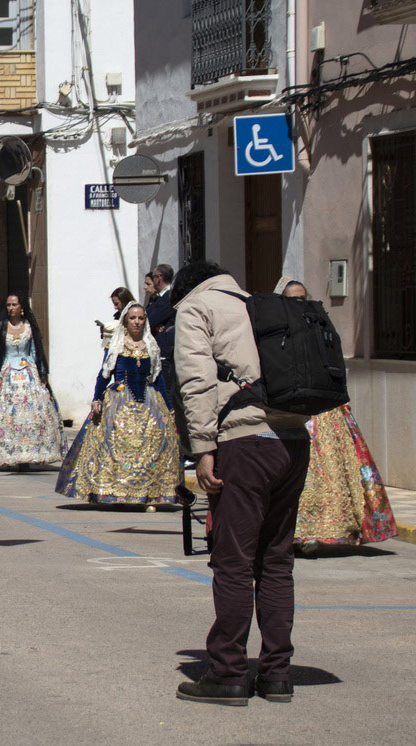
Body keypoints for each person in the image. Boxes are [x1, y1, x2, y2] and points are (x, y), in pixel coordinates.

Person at [172, 261, 311, 706]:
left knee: (233, 562)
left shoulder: (196, 307)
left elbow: (196, 383)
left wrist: (202, 449)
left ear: (186, 289)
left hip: (244, 443)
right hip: (292, 441)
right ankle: (277, 675)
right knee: (276, 561)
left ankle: (228, 673)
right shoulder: (259, 305)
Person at [274, 281, 397, 550]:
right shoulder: (277, 329)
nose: (298, 303)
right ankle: (298, 533)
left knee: (334, 471)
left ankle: (330, 530)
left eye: (302, 298)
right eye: (292, 299)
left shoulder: (321, 324)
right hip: (294, 406)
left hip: (325, 409)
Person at [56, 302, 181, 506]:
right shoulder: (116, 345)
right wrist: (97, 398)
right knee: (115, 445)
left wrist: (169, 407)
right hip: (119, 401)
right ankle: (115, 492)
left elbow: (158, 379)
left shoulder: (151, 345)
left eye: (140, 318)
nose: (137, 322)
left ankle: (147, 493)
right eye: (132, 318)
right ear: (125, 321)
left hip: (149, 401)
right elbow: (104, 374)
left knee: (152, 446)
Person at [0, 295, 64, 468]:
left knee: (32, 414)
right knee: (5, 415)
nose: (11, 308)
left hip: (28, 372)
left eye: (14, 304)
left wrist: (42, 373)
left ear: (22, 307)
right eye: (8, 305)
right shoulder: (0, 327)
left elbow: (36, 351)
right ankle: (7, 453)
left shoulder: (29, 327)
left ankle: (30, 454)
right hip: (7, 372)